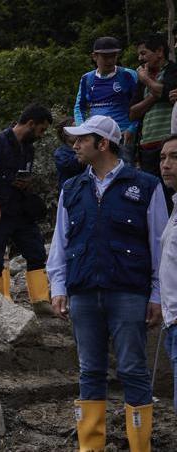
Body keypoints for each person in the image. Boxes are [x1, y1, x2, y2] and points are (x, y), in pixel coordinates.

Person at [47, 115, 166, 452]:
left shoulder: (145, 185)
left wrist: (156, 293)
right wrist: (58, 287)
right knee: (89, 371)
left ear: (103, 144)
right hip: (83, 292)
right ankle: (90, 448)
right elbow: (61, 241)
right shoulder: (72, 188)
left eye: (82, 139)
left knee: (133, 369)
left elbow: (158, 243)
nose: (75, 145)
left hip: (129, 291)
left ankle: (140, 447)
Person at [0, 104, 54, 314]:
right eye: (41, 129)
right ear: (30, 124)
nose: (41, 135)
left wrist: (25, 183)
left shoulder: (29, 147)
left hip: (19, 207)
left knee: (36, 250)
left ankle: (40, 301)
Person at [74, 36, 139, 154]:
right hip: (96, 137)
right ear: (94, 56)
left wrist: (132, 128)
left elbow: (139, 104)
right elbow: (79, 107)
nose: (109, 61)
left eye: (113, 56)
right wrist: (82, 128)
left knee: (124, 171)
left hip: (122, 136)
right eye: (105, 57)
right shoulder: (87, 78)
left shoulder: (128, 75)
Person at [130, 34, 174, 180]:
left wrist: (146, 80)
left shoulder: (173, 71)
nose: (140, 58)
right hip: (146, 146)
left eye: (144, 53)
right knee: (153, 192)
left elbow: (165, 92)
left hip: (170, 145)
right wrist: (154, 95)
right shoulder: (143, 79)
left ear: (160, 51)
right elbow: (132, 113)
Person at [158, 135, 177, 417]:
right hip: (171, 321)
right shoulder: (174, 206)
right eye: (162, 158)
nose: (166, 164)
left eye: (174, 157)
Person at [53, 116, 84, 191]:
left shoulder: (84, 149)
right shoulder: (60, 153)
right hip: (69, 192)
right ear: (65, 133)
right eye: (74, 129)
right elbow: (68, 166)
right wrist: (84, 155)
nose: (78, 132)